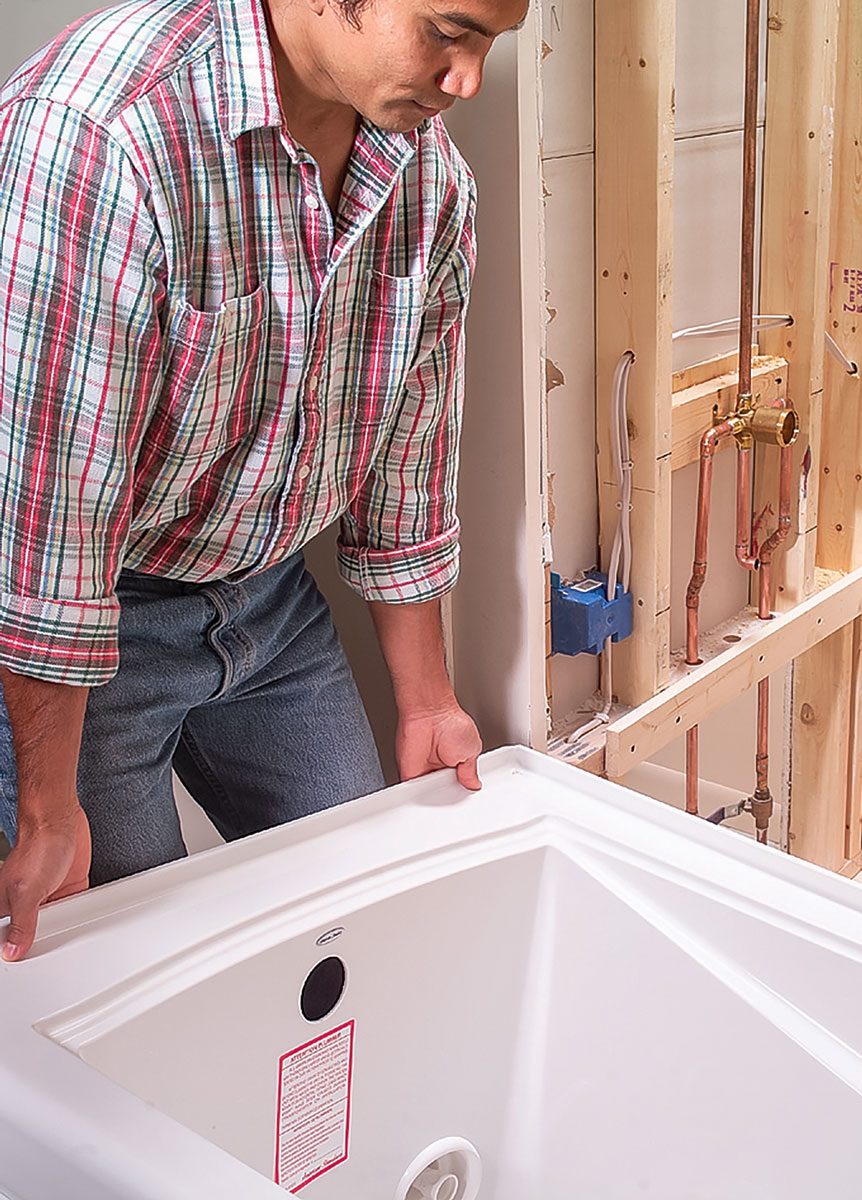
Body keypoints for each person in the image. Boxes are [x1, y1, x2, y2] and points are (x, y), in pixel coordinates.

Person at [0, 0, 527, 962]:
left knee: (361, 923)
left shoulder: (429, 179)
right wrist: (41, 808)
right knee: (138, 968)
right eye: (449, 31)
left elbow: (408, 451)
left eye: (490, 42)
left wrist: (427, 703)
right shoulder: (104, 138)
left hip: (268, 598)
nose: (468, 81)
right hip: (85, 621)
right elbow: (48, 515)